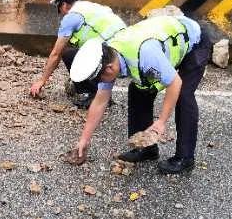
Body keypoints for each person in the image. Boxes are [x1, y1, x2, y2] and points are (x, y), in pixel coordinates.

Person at [69, 13, 212, 174]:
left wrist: (161, 121)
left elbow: (174, 82)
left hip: (194, 42)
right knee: (138, 90)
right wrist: (84, 138)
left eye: (101, 78)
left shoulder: (146, 54)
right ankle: (146, 149)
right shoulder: (107, 55)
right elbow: (100, 101)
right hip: (162, 45)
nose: (102, 81)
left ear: (109, 68)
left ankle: (185, 158)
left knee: (183, 94)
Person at [29, 0, 126, 109]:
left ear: (64, 5)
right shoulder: (92, 7)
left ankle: (93, 95)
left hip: (111, 57)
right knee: (80, 53)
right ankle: (102, 93)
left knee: (68, 55)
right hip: (123, 54)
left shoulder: (71, 17)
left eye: (60, 11)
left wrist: (42, 81)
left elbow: (56, 53)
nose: (61, 16)